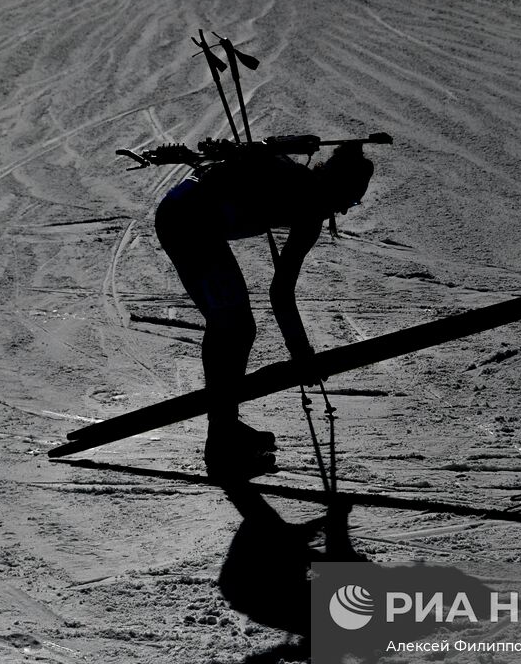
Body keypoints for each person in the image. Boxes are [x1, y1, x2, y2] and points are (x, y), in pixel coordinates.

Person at [154, 143, 374, 479]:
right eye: (350, 200)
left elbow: (281, 290)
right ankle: (221, 438)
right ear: (337, 185)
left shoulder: (308, 208)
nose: (343, 211)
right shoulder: (289, 177)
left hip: (192, 219)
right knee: (233, 325)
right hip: (187, 219)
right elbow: (281, 292)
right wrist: (302, 354)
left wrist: (302, 354)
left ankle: (223, 428)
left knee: (235, 325)